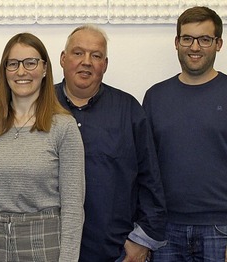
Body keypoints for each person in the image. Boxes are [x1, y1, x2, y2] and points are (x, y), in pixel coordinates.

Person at [0, 33, 85, 262]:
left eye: (30, 63)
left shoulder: (64, 127)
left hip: (44, 243)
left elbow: (73, 209)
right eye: (13, 64)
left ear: (45, 68)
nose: (21, 72)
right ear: (4, 70)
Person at [54, 25, 167, 262]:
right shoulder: (39, 107)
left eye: (96, 56)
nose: (87, 61)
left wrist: (141, 240)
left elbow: (150, 179)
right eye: (78, 53)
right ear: (63, 59)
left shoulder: (128, 110)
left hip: (116, 252)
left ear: (104, 65)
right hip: (50, 248)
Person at [143, 6, 226, 261]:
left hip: (220, 229)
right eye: (187, 38)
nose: (195, 47)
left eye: (204, 39)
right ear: (177, 43)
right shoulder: (155, 97)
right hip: (166, 230)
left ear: (218, 44)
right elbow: (145, 169)